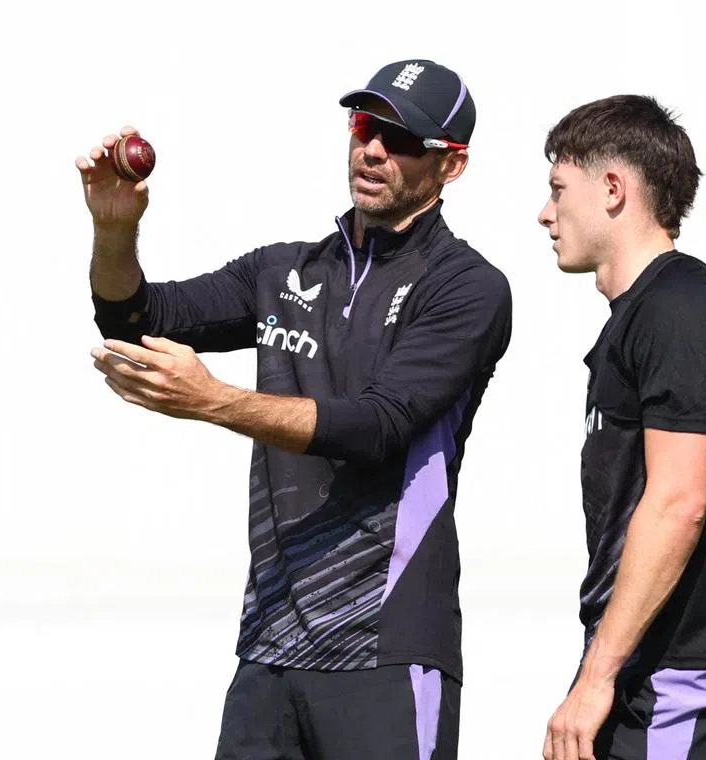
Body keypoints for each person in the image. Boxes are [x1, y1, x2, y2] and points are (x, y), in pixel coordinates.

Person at [77, 59, 511, 760]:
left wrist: (213, 401)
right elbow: (135, 318)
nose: (372, 149)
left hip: (386, 645)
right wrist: (114, 230)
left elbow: (377, 427)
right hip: (270, 647)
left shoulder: (467, 287)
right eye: (366, 125)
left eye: (400, 139)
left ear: (450, 166)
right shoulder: (283, 270)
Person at [536, 95, 706, 760]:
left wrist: (594, 680)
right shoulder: (637, 321)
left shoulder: (680, 308)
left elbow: (678, 503)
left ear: (613, 189)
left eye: (559, 190)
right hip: (645, 668)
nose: (545, 213)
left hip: (687, 670)